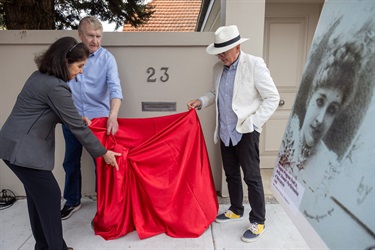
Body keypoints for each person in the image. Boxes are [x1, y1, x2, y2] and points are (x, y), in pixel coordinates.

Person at [0, 37, 120, 250]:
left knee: (37, 197)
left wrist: (74, 117)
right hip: (23, 151)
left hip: (10, 144)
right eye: (80, 66)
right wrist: (103, 152)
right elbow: (77, 128)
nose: (82, 71)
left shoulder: (38, 76)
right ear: (65, 62)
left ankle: (44, 246)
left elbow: (42, 110)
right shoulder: (56, 86)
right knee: (50, 195)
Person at [187, 25, 280, 242]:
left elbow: (272, 98)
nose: (221, 56)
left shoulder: (254, 64)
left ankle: (258, 220)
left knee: (252, 177)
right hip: (226, 131)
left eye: (225, 51)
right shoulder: (217, 68)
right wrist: (201, 101)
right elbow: (213, 93)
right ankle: (236, 209)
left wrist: (254, 123)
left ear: (237, 47)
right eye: (218, 52)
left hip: (246, 132)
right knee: (231, 173)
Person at [61, 16, 123, 220]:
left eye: (98, 36)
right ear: (80, 35)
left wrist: (112, 117)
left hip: (99, 122)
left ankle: (104, 202)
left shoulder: (108, 59)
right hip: (72, 118)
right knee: (70, 161)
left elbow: (115, 89)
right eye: (90, 36)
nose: (95, 40)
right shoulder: (67, 58)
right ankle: (72, 201)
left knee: (102, 162)